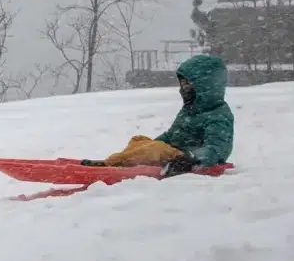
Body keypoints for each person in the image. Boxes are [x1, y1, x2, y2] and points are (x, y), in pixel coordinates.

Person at [81, 54, 234, 177]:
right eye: (183, 85)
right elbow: (171, 135)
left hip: (186, 158)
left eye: (188, 85)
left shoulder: (218, 115)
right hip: (172, 152)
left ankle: (110, 165)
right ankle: (114, 162)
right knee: (139, 140)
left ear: (205, 88)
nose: (183, 89)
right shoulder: (189, 110)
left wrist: (191, 158)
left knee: (155, 149)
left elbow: (216, 148)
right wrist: (147, 146)